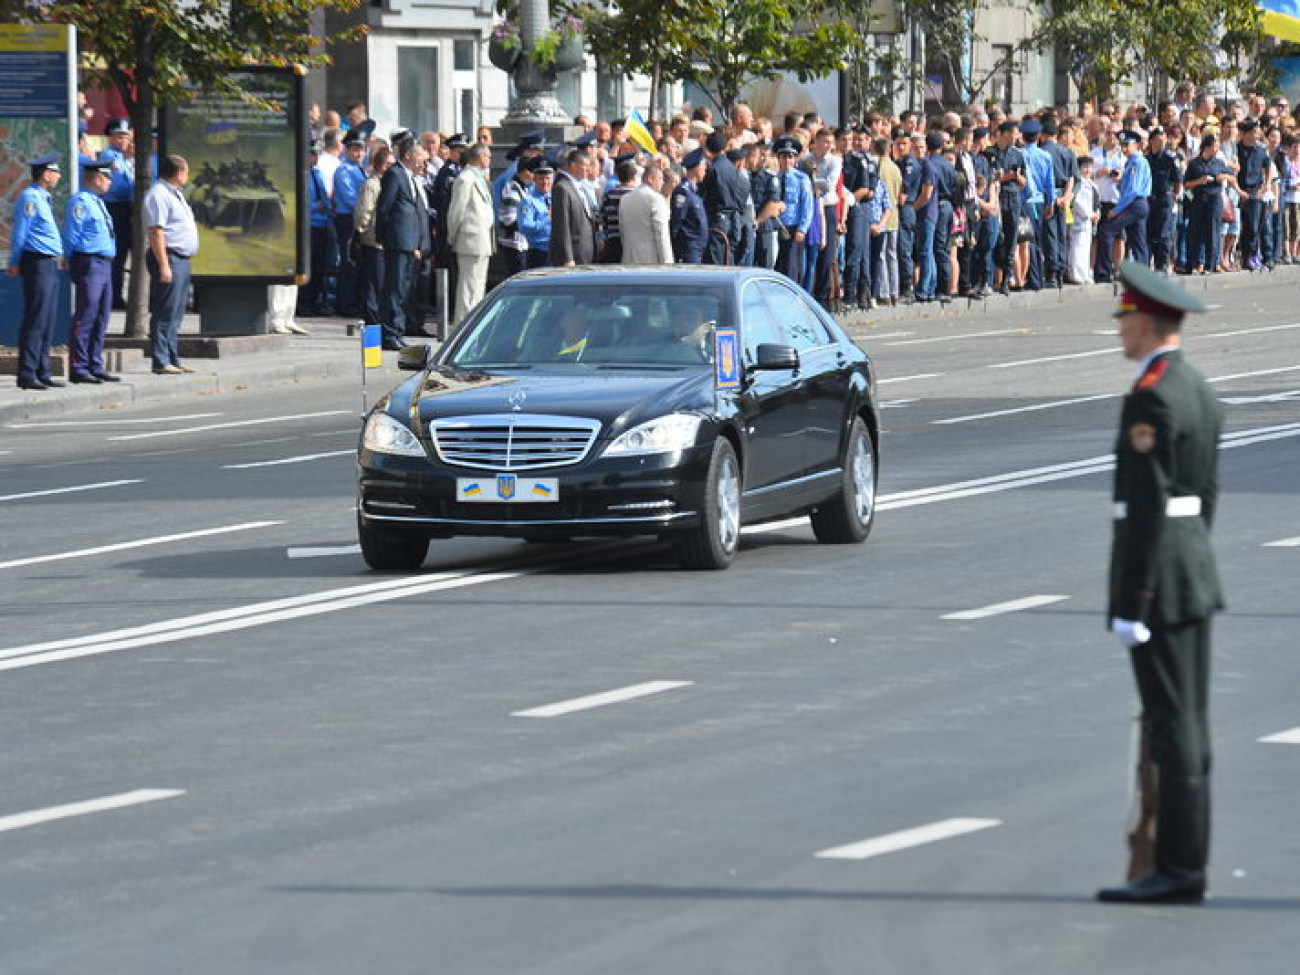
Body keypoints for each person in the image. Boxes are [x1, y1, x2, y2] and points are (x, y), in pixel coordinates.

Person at [1096, 261, 1223, 906]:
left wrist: (1134, 599)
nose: (1120, 332)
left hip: (1160, 583)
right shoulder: (1198, 388)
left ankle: (1177, 868)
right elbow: (1204, 499)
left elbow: (1146, 508)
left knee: (1173, 727)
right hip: (1193, 570)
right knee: (1189, 722)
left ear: (1144, 323)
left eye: (1124, 321)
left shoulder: (1151, 395)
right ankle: (1184, 863)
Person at [7, 153, 65, 389]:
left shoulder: (44, 198)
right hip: (36, 262)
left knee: (48, 318)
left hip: (50, 262)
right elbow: (20, 232)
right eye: (56, 172)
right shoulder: (30, 198)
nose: (59, 176)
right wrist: (14, 261)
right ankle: (27, 373)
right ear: (46, 174)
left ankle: (43, 370)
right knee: (36, 317)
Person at [64, 158, 121, 383]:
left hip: (105, 263)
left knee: (101, 316)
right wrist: (69, 259)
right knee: (86, 315)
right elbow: (72, 234)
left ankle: (95, 363)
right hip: (89, 262)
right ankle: (79, 366)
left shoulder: (98, 201)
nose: (109, 182)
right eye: (107, 178)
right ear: (97, 178)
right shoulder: (80, 202)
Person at [144, 154, 199, 375]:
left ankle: (172, 357)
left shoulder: (175, 194)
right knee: (165, 311)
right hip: (169, 257)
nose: (187, 176)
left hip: (181, 258)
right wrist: (164, 265)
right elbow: (156, 232)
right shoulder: (158, 194)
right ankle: (160, 360)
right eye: (186, 171)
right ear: (178, 173)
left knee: (177, 312)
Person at [375, 136, 431, 350]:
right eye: (418, 153)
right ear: (407, 155)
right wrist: (382, 236)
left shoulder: (410, 177)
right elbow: (384, 208)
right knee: (394, 288)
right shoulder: (395, 174)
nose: (422, 158)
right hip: (397, 241)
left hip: (409, 243)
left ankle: (397, 331)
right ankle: (389, 333)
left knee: (403, 290)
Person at [445, 143, 496, 323]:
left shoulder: (479, 177)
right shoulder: (465, 178)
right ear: (480, 157)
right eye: (488, 156)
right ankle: (463, 325)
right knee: (468, 288)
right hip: (470, 239)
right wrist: (452, 236)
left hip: (482, 240)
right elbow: (456, 211)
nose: (490, 160)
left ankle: (472, 324)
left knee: (478, 288)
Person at [1096, 131, 1152, 281]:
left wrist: (1116, 210)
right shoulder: (1129, 162)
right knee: (1138, 239)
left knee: (1106, 230)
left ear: (1136, 145)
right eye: (1122, 145)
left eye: (1127, 145)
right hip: (1137, 204)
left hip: (1134, 204)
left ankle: (1104, 272)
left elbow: (1132, 191)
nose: (1124, 149)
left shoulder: (1137, 162)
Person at [353, 143, 392, 337]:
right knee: (373, 285)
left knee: (380, 283)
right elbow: (364, 212)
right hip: (373, 240)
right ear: (383, 165)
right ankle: (371, 325)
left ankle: (377, 321)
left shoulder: (386, 183)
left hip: (384, 241)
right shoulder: (372, 184)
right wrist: (362, 232)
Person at [100, 118, 134, 309]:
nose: (123, 141)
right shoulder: (109, 157)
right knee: (118, 255)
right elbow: (118, 188)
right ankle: (115, 298)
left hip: (126, 206)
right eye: (119, 136)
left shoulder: (124, 157)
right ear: (111, 137)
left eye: (126, 136)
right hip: (115, 207)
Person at [772, 135, 813, 282]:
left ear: (795, 159)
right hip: (777, 226)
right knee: (779, 265)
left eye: (790, 157)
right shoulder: (774, 177)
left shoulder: (802, 179)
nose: (786, 160)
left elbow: (807, 205)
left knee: (792, 266)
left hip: (793, 227)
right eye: (783, 156)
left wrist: (802, 228)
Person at [549, 146, 599, 266]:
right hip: (574, 255)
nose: (588, 170)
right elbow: (562, 226)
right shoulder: (562, 188)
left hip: (585, 252)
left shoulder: (579, 186)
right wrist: (567, 257)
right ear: (572, 165)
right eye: (585, 165)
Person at [619, 159, 673, 264]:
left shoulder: (625, 199)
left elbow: (623, 232)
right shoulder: (656, 199)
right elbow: (661, 234)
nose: (662, 182)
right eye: (661, 178)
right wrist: (667, 263)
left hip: (628, 259)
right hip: (651, 262)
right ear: (650, 179)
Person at [671, 147, 710, 264]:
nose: (705, 171)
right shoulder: (683, 191)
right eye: (703, 168)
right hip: (688, 248)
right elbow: (677, 221)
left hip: (697, 247)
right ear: (697, 168)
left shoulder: (694, 191)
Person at [519, 156, 554, 268]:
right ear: (534, 179)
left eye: (548, 178)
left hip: (556, 252)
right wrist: (545, 219)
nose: (545, 182)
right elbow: (525, 226)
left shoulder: (556, 198)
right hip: (538, 252)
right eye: (541, 178)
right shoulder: (528, 201)